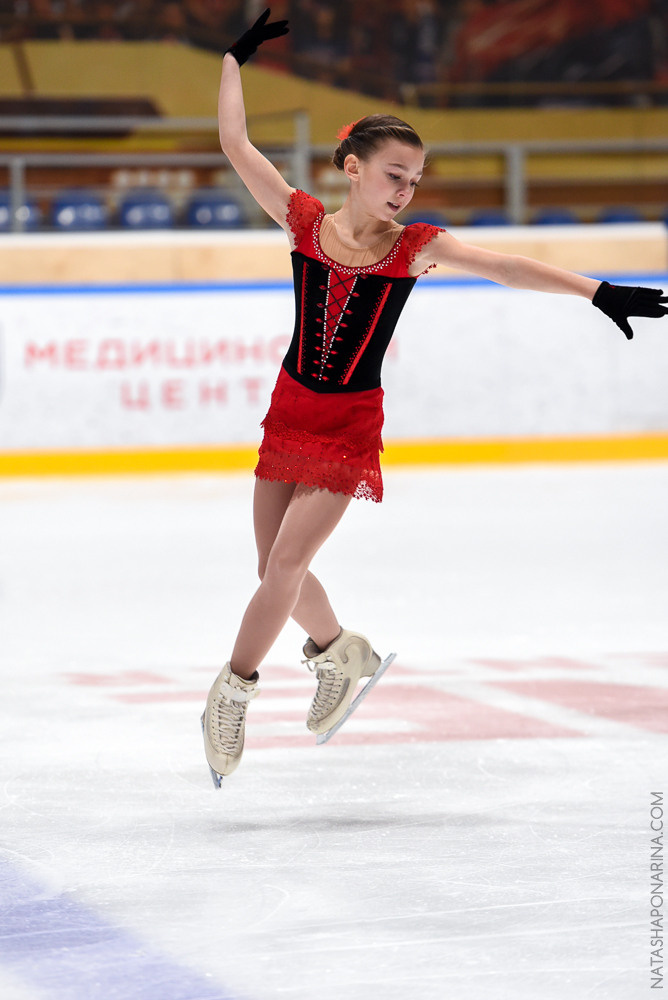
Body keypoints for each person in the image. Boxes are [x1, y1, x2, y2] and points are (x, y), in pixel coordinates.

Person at [201, 8, 667, 787]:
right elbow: (236, 145)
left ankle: (231, 693)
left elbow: (508, 265)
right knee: (269, 567)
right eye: (393, 176)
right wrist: (229, 60)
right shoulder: (304, 222)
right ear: (351, 166)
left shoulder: (414, 248)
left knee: (285, 563)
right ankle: (340, 654)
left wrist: (597, 293)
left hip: (349, 421)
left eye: (414, 181)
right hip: (289, 408)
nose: (405, 191)